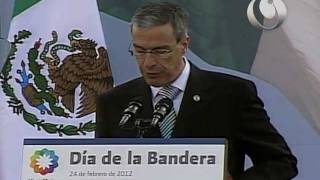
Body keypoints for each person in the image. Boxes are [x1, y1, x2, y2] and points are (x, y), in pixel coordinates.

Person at [95, 2, 298, 179]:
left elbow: (280, 162)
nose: (148, 63)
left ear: (184, 45)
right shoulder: (114, 103)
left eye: (160, 51)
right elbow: (100, 169)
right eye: (139, 51)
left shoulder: (232, 94)